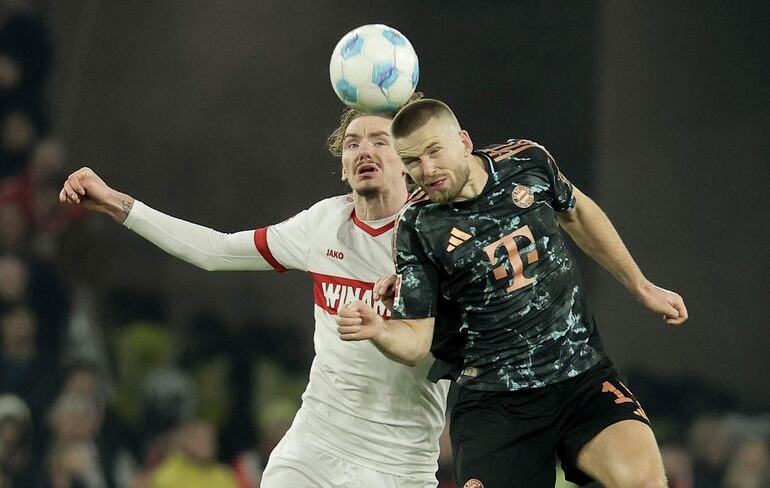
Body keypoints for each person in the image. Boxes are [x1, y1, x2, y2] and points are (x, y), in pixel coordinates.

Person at [59, 100, 450, 487]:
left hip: (399, 460)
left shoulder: (443, 238)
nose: (364, 150)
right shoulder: (324, 223)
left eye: (380, 141)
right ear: (343, 168)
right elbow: (216, 250)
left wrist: (390, 324)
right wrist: (116, 204)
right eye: (352, 143)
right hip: (315, 446)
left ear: (407, 160)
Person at [337, 98, 688, 488]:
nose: (427, 170)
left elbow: (575, 211)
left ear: (464, 142)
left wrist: (642, 286)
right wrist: (380, 330)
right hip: (495, 404)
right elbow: (417, 341)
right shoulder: (418, 225)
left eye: (434, 152)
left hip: (580, 377)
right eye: (413, 161)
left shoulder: (526, 161)